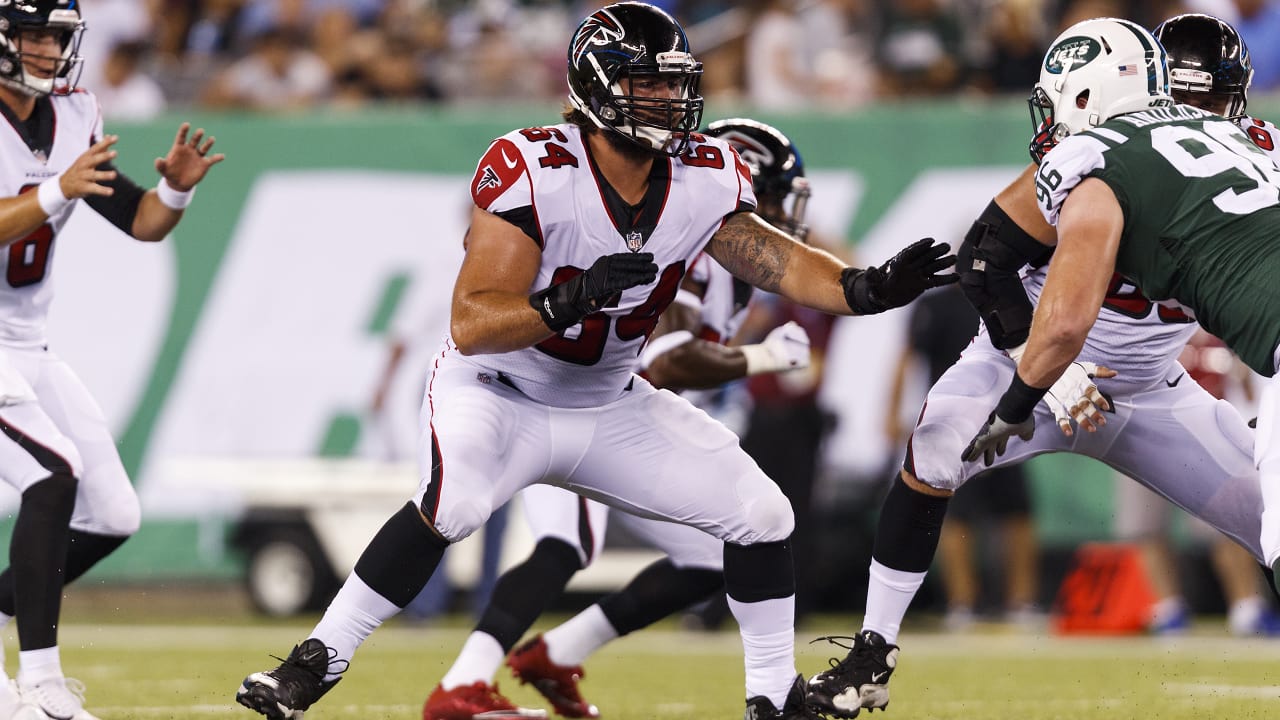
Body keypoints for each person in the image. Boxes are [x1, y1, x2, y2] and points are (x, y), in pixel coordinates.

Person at [233, 4, 956, 720]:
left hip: (609, 400)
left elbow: (768, 256)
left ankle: (773, 698)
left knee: (763, 514)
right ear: (598, 84)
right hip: (501, 388)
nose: (672, 99)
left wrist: (861, 288)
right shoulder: (534, 166)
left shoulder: (707, 172)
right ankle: (312, 665)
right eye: (650, 84)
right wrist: (569, 299)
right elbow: (474, 322)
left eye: (676, 84)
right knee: (453, 504)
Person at [805, 13, 1280, 719]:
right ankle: (872, 653)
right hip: (1033, 357)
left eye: (1209, 104)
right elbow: (984, 260)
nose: (1198, 117)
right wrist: (1042, 369)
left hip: (1150, 386)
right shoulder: (1102, 157)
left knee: (1268, 517)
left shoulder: (1235, 150)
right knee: (934, 447)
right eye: (1185, 101)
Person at [423, 117, 815, 720]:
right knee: (566, 543)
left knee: (713, 558)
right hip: (570, 404)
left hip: (625, 427)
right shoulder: (697, 249)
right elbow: (668, 359)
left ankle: (556, 655)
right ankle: (464, 682)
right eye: (780, 197)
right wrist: (764, 358)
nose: (788, 216)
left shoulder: (727, 269)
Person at [0, 2, 224, 719]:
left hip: (27, 343)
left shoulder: (72, 114)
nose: (45, 50)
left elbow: (141, 222)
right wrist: (54, 189)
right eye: (32, 35)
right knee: (53, 474)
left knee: (113, 513)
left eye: (55, 37)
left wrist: (176, 188)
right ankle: (39, 685)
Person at [885, 283, 1040, 630]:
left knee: (1016, 512)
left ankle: (1021, 602)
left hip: (1007, 414)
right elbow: (907, 357)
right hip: (953, 422)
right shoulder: (939, 304)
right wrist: (891, 411)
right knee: (956, 514)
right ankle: (963, 603)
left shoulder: (1012, 296)